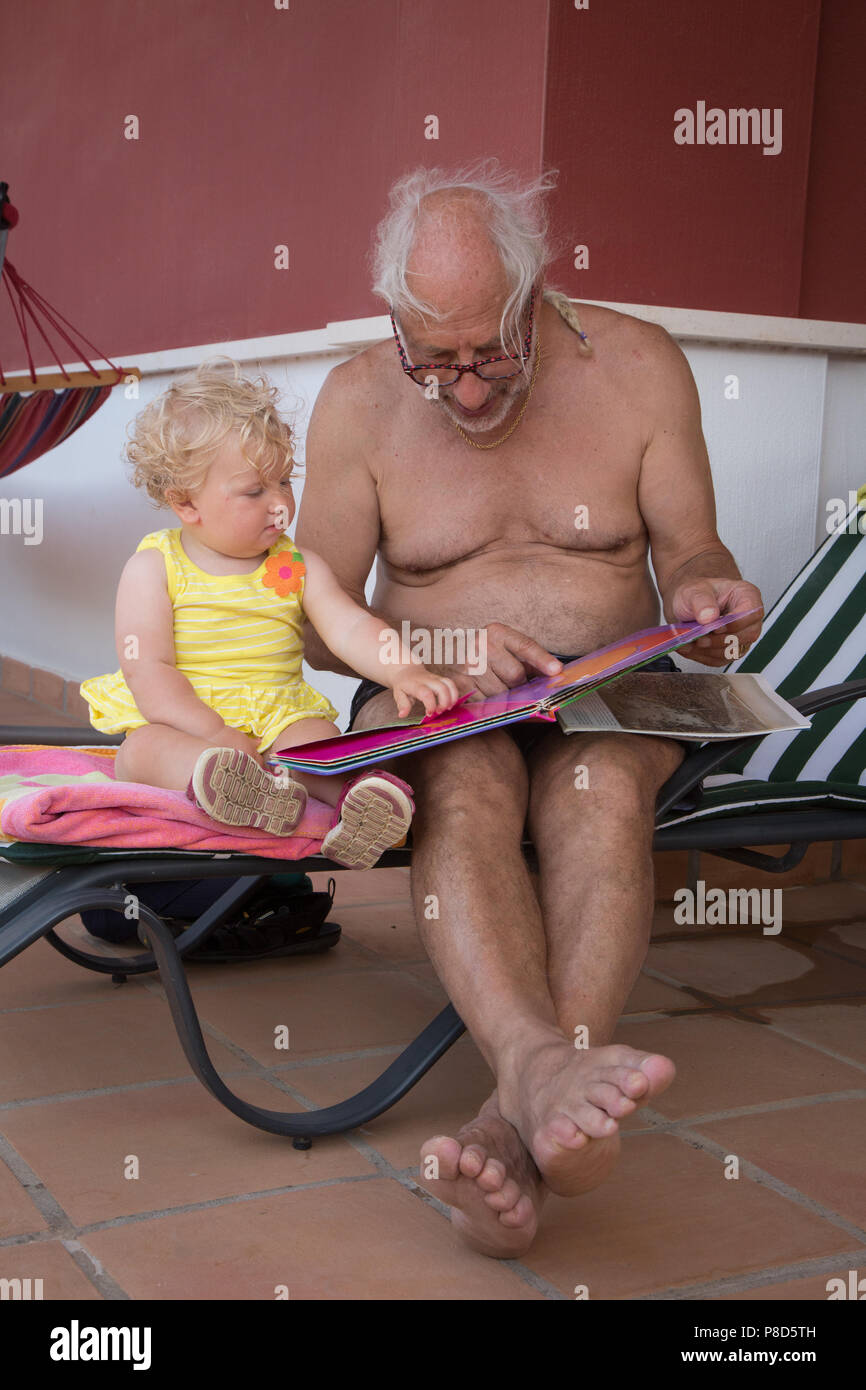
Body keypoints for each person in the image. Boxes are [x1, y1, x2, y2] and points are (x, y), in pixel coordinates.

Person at [296, 161, 764, 1256]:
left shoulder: (637, 364)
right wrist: (433, 647)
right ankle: (543, 1084)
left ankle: (518, 1107)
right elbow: (315, 618)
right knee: (461, 784)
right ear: (391, 322)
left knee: (598, 791)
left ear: (532, 292)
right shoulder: (356, 401)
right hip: (431, 690)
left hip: (611, 685)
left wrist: (703, 584)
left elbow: (692, 544)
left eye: (489, 351)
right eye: (433, 360)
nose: (463, 389)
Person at [80, 360, 460, 869]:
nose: (280, 503)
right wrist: (213, 732)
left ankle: (361, 804)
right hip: (188, 718)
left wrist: (402, 668)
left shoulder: (294, 566)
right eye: (255, 491)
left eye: (284, 480)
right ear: (186, 503)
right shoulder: (155, 567)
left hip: (279, 715)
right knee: (141, 751)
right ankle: (231, 785)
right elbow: (148, 669)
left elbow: (349, 626)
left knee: (320, 749)